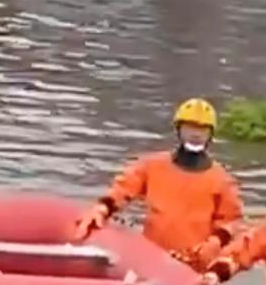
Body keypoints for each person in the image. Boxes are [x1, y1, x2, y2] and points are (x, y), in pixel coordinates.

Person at [73, 98, 243, 271]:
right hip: (152, 257)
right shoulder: (152, 165)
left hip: (194, 265)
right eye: (190, 128)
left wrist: (217, 241)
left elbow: (232, 220)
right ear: (178, 129)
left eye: (202, 129)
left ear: (210, 134)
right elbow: (124, 187)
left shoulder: (222, 180)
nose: (196, 134)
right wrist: (102, 208)